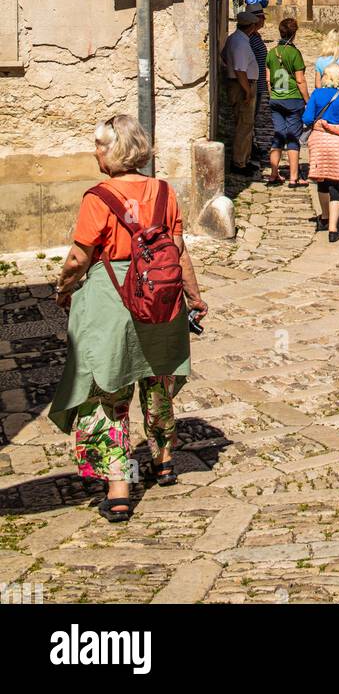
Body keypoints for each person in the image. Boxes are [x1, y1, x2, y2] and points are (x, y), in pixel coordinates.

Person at [48, 115, 208, 522]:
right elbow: (179, 250)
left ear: (114, 150)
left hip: (114, 301)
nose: (96, 153)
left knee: (107, 391)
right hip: (162, 298)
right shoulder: (164, 192)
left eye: (99, 146)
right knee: (158, 382)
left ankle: (119, 487)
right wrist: (193, 296)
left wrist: (63, 288)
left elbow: (78, 258)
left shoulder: (98, 199)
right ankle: (164, 459)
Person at [303, 63, 339, 243]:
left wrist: (320, 123)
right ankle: (333, 229)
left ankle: (325, 216)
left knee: (321, 180)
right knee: (336, 185)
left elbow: (306, 118)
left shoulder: (317, 94)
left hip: (320, 142)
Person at [265, 16, 310, 187]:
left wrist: (273, 96)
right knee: (292, 137)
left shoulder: (271, 53)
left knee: (277, 136)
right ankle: (293, 177)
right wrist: (308, 101)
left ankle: (273, 174)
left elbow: (268, 80)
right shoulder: (294, 53)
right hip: (293, 100)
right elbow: (300, 80)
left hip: (276, 99)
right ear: (294, 33)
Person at [222, 8, 260, 174]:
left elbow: (224, 57)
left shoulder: (233, 38)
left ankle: (244, 158)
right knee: (244, 124)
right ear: (251, 26)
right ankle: (239, 163)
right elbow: (240, 70)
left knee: (243, 124)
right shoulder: (241, 43)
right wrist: (247, 91)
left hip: (238, 83)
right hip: (242, 85)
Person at [247, 6, 275, 169]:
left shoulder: (255, 36)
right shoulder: (250, 38)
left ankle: (253, 145)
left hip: (259, 84)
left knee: (254, 116)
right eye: (262, 17)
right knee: (250, 117)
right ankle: (251, 147)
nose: (264, 20)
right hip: (254, 84)